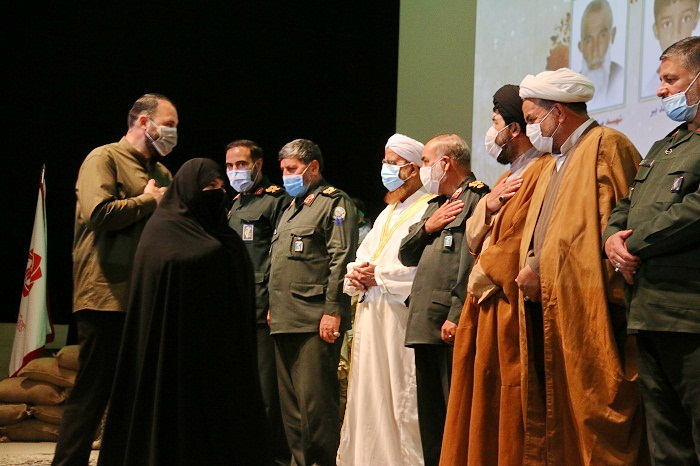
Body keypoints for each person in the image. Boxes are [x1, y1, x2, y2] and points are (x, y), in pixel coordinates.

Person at [98, 158, 269, 466]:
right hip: (170, 353)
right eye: (209, 187)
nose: (217, 193)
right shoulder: (161, 232)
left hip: (216, 355)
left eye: (220, 187)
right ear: (188, 189)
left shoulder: (223, 236)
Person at [515, 68, 645, 464]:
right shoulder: (554, 161)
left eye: (533, 119)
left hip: (593, 311)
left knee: (596, 418)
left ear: (558, 112)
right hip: (554, 310)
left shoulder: (607, 144)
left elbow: (617, 227)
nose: (531, 129)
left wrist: (545, 271)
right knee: (558, 417)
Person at [52, 93, 176, 466]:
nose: (173, 133)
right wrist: (148, 202)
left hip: (145, 298)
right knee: (93, 392)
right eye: (169, 124)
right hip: (105, 296)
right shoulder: (103, 158)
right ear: (143, 122)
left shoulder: (162, 174)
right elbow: (98, 214)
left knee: (133, 397)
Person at [440, 85, 550, 466]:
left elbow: (523, 239)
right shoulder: (505, 177)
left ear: (514, 129)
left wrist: (481, 274)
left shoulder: (543, 170)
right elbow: (473, 235)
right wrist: (488, 204)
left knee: (506, 403)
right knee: (478, 403)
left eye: (495, 122)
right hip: (484, 305)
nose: (491, 132)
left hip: (507, 305)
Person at [603, 36, 700, 465]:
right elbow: (626, 205)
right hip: (647, 311)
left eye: (671, 80)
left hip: (689, 315)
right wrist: (611, 240)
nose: (661, 90)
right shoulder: (665, 146)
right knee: (666, 442)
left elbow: (693, 212)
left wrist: (632, 245)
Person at [337, 134, 434, 466]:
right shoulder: (389, 210)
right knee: (368, 395)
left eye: (392, 163)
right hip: (372, 313)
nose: (386, 169)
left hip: (398, 318)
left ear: (413, 168)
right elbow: (364, 255)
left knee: (399, 397)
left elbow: (422, 270)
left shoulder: (429, 207)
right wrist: (356, 274)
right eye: (385, 162)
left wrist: (377, 276)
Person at [398, 134, 488, 466]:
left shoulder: (478, 199)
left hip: (450, 324)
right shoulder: (435, 205)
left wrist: (457, 313)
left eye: (425, 161)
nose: (422, 169)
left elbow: (472, 263)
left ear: (445, 163)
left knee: (455, 413)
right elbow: (406, 253)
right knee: (431, 416)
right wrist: (428, 228)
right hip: (424, 322)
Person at [268, 139, 358, 466]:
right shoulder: (290, 208)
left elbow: (340, 258)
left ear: (313, 167)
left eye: (292, 169)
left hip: (314, 319)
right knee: (291, 409)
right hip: (284, 318)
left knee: (316, 406)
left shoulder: (335, 204)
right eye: (283, 170)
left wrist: (333, 311)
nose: (286, 176)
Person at [225, 139, 290, 465]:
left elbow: (280, 257)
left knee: (266, 391)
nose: (235, 171)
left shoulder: (276, 200)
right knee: (239, 388)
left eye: (241, 164)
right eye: (230, 166)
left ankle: (272, 456)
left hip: (262, 306)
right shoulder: (236, 203)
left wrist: (274, 304)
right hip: (236, 308)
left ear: (258, 164)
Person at [644, 0, 700, 96]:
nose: (659, 91)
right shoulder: (648, 87)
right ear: (656, 30)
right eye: (667, 23)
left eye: (670, 80)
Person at [577, 0, 624, 111]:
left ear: (612, 35)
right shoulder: (573, 90)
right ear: (580, 46)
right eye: (588, 40)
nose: (595, 51)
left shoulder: (621, 77)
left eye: (602, 36)